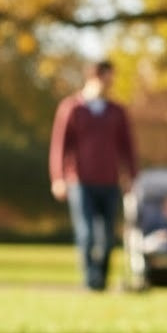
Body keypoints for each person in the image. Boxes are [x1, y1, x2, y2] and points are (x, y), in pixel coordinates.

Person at [49, 59, 138, 291]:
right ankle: (91, 280)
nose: (111, 82)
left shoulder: (116, 112)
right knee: (86, 233)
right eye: (109, 76)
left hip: (109, 181)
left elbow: (127, 147)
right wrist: (58, 177)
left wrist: (131, 177)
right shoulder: (72, 108)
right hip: (80, 181)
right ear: (96, 76)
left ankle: (102, 279)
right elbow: (60, 145)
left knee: (108, 236)